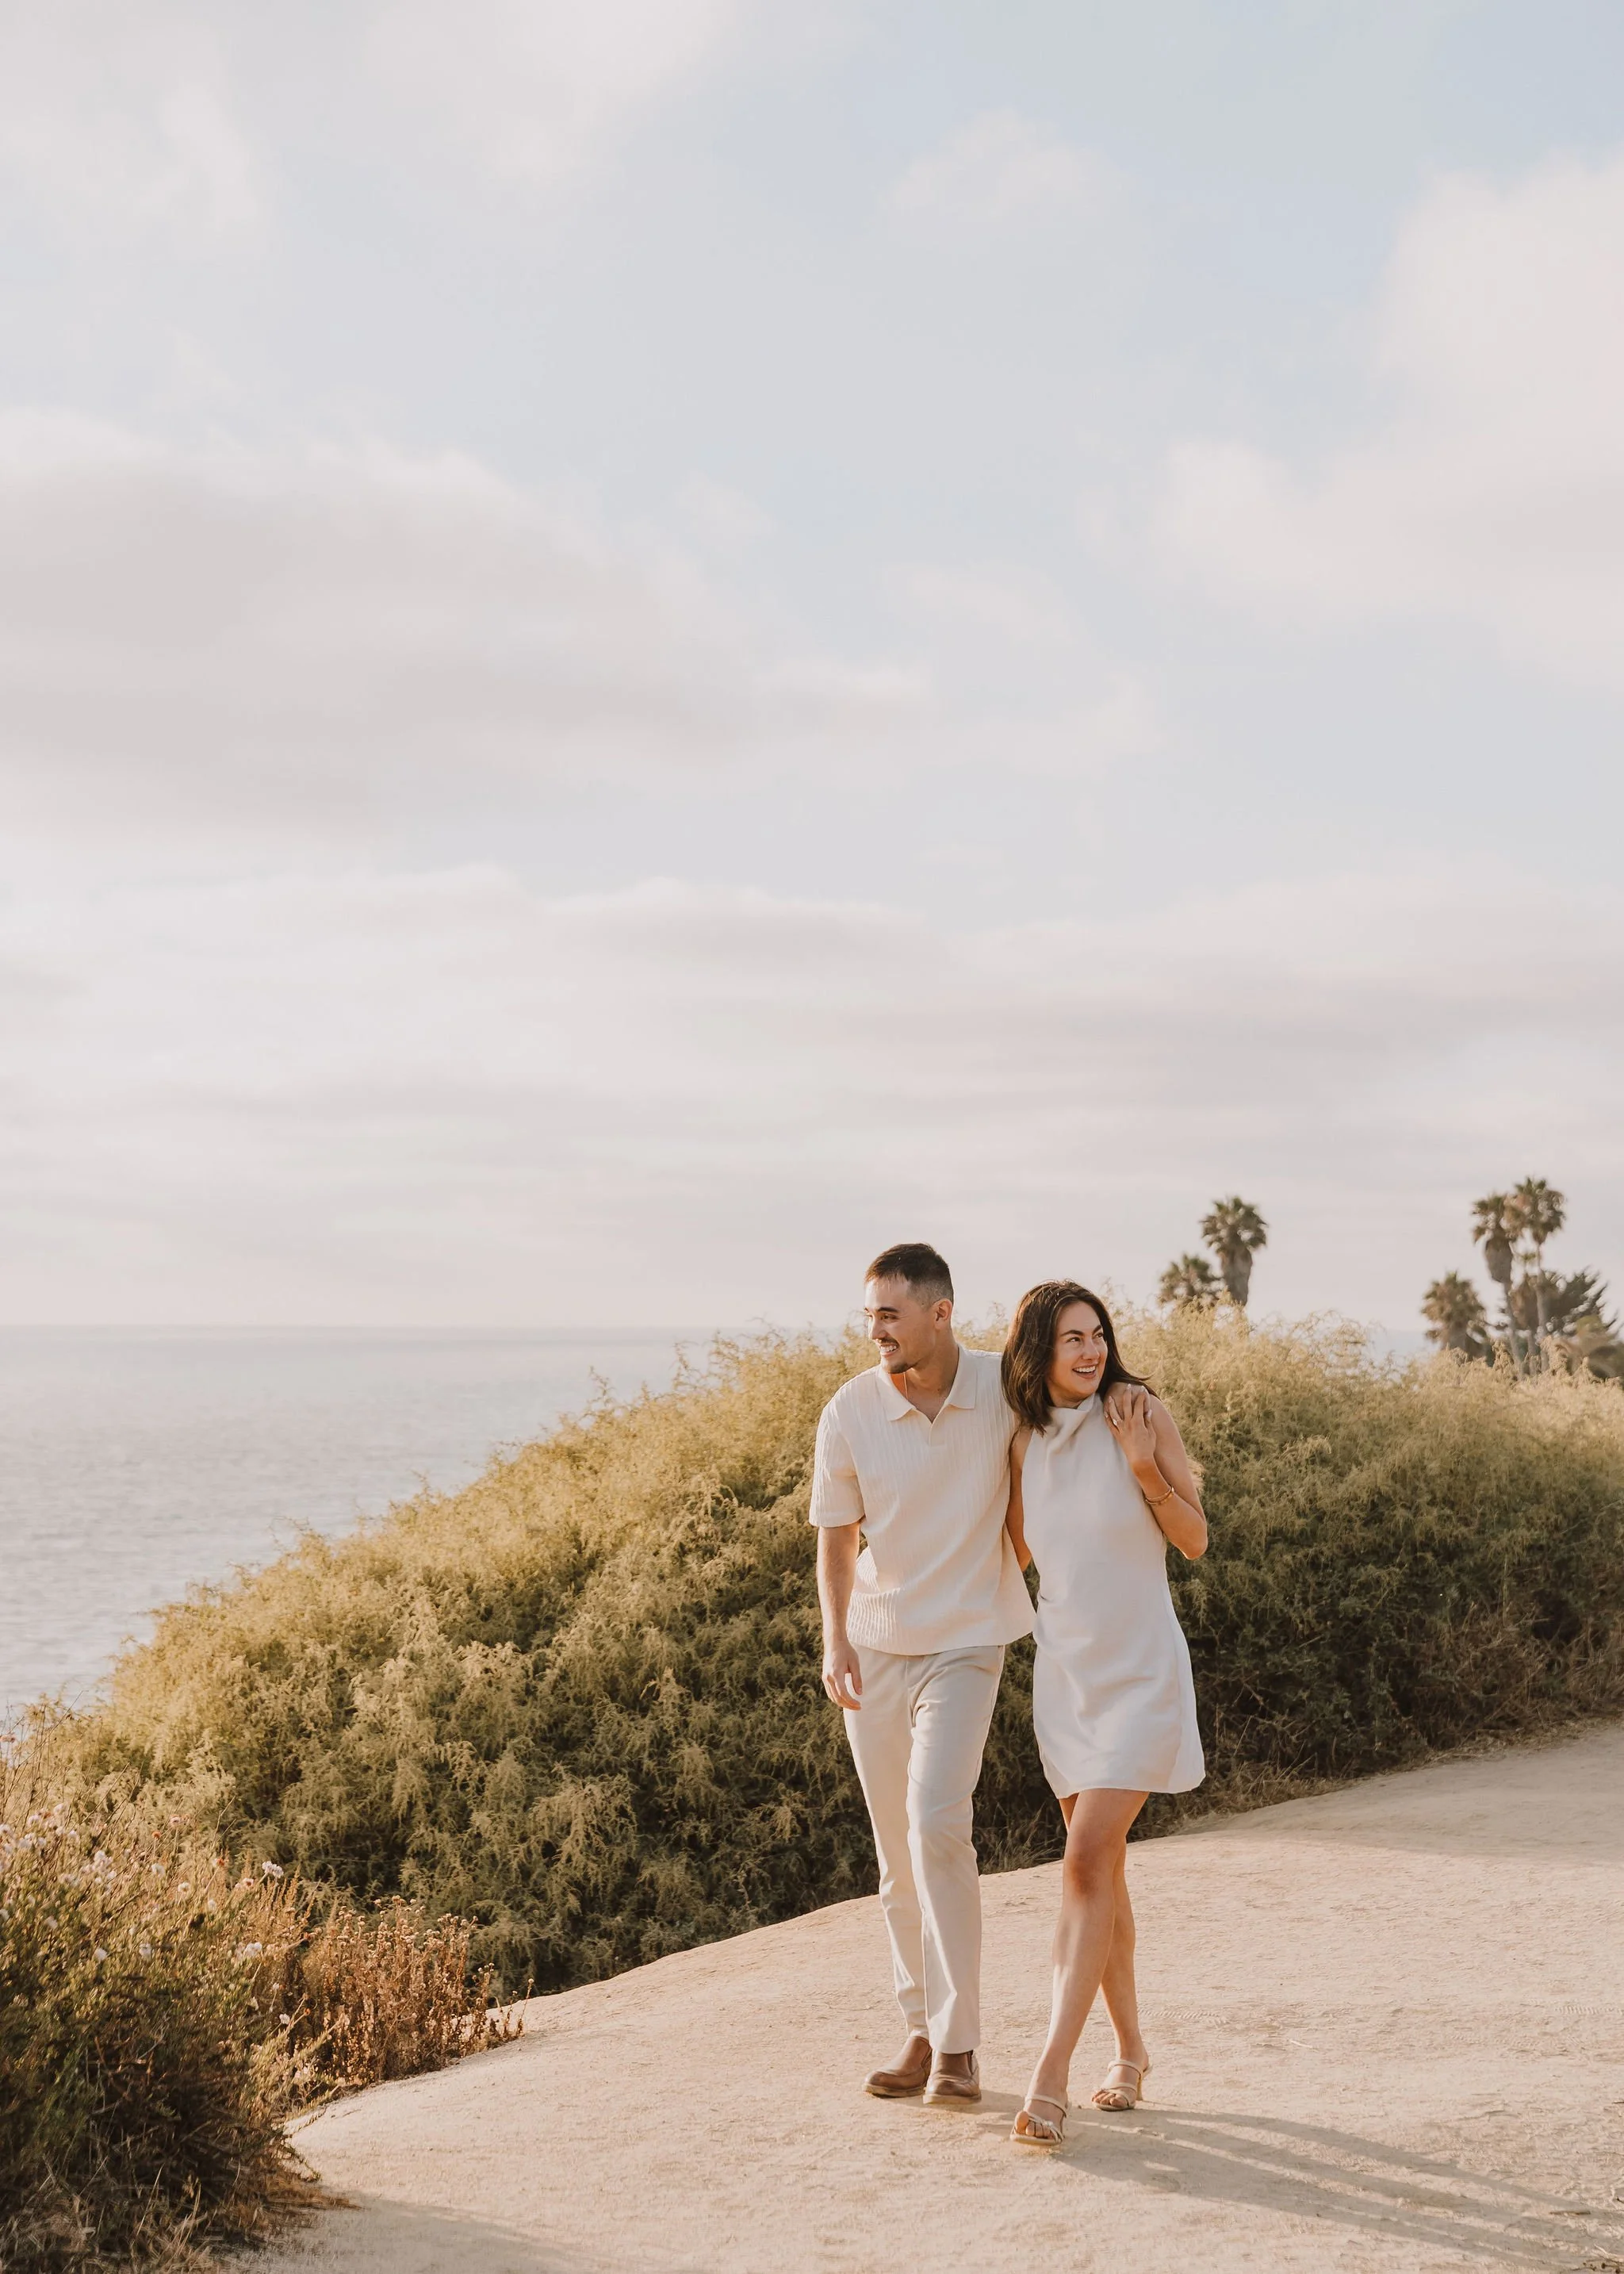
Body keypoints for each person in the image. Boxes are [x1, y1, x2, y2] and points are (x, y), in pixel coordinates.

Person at [811, 1242, 1034, 2107]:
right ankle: (919, 2025)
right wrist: (835, 1641)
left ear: (940, 1312)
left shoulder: (999, 1392)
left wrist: (998, 1566)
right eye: (869, 1314)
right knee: (895, 1850)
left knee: (936, 1819)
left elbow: (1042, 1480)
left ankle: (960, 2046)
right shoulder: (850, 1408)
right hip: (874, 1646)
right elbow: (834, 1537)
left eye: (888, 1314)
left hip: (969, 1642)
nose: (874, 1331)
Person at [1002, 1280, 1208, 2147]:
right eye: (1070, 1338)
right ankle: (1129, 2050)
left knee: (1084, 1861)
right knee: (1102, 1872)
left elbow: (1193, 1537)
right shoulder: (1017, 1439)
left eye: (1097, 1334)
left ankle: (1047, 2074)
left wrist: (1140, 1465)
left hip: (1141, 1671)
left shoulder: (1137, 1407)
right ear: (1036, 1352)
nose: (1089, 1351)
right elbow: (1013, 1550)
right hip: (1068, 1679)